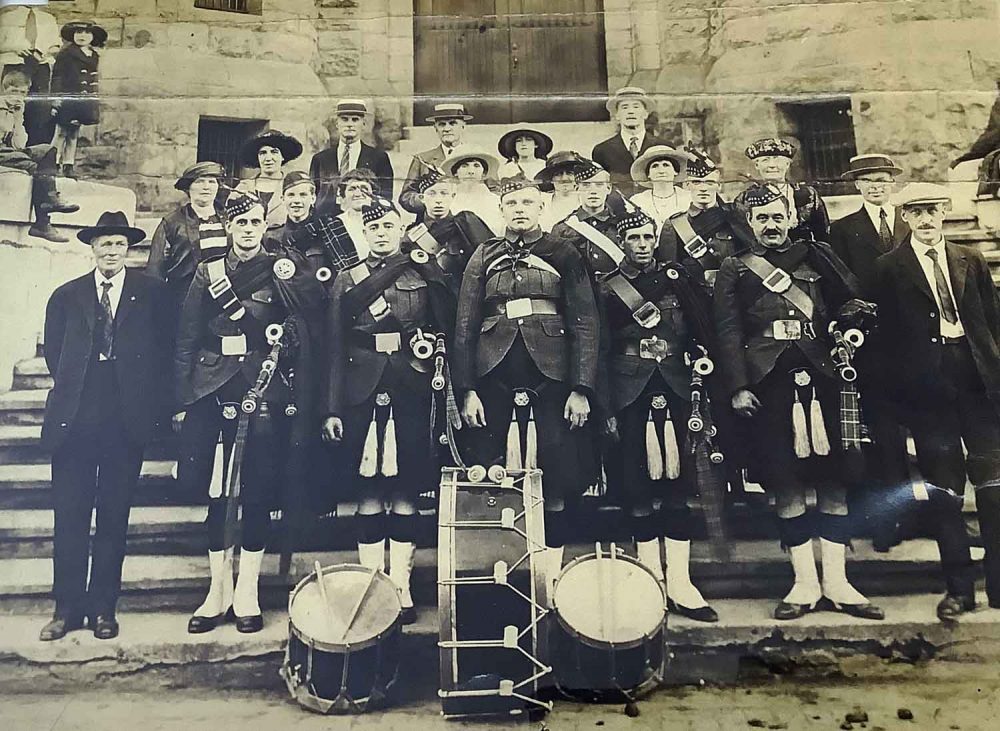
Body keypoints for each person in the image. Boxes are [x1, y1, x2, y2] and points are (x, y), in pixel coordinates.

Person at [714, 183, 884, 622]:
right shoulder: (734, 267)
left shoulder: (818, 254)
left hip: (824, 376)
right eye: (761, 218)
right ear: (749, 224)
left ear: (790, 217)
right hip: (767, 384)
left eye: (777, 216)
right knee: (784, 480)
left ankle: (839, 583)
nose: (771, 225)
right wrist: (738, 386)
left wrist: (849, 326)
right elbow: (728, 332)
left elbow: (854, 300)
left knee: (833, 480)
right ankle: (804, 584)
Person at [174, 191, 325, 635]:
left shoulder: (282, 268)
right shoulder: (209, 272)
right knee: (218, 495)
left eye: (255, 222)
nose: (247, 230)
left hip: (264, 389)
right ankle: (215, 592)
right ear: (228, 226)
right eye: (239, 223)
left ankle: (247, 593)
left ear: (264, 226)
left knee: (257, 492)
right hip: (211, 387)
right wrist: (183, 399)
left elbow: (307, 314)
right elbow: (186, 337)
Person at [453, 176, 599, 594]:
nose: (519, 209)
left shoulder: (564, 253)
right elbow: (464, 325)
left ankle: (548, 580)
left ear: (542, 208)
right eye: (511, 202)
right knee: (500, 478)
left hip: (553, 380)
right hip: (493, 379)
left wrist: (581, 388)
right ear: (500, 210)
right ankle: (510, 578)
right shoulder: (484, 255)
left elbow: (586, 321)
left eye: (528, 203)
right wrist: (467, 390)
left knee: (555, 479)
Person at [321, 198, 455, 624]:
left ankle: (401, 584)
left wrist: (431, 270)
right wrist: (332, 408)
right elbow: (333, 347)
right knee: (368, 490)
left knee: (406, 489)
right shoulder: (347, 277)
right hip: (361, 389)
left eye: (388, 226)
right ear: (364, 230)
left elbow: (446, 321)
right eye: (372, 226)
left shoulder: (420, 271)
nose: (380, 232)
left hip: (410, 387)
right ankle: (371, 580)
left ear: (401, 228)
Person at [39, 211, 170, 641]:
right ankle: (66, 608)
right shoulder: (66, 295)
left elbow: (161, 353)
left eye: (118, 244)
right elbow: (55, 354)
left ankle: (103, 609)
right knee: (70, 516)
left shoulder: (151, 294)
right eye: (104, 243)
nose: (111, 251)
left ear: (129, 249)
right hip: (74, 420)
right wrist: (77, 387)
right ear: (91, 248)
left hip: (123, 421)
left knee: (113, 518)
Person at [874, 182, 1000, 620]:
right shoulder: (889, 268)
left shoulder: (972, 259)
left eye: (933, 210)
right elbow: (884, 342)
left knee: (994, 488)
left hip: (979, 384)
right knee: (945, 493)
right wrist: (903, 396)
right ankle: (959, 590)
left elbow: (993, 324)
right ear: (904, 216)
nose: (926, 219)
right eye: (916, 212)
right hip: (929, 391)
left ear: (945, 211)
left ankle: (999, 588)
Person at [597, 209, 719, 622]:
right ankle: (651, 581)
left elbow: (703, 330)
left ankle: (682, 583)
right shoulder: (609, 289)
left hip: (678, 388)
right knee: (637, 488)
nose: (644, 245)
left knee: (679, 486)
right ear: (622, 241)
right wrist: (607, 407)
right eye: (635, 239)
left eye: (649, 238)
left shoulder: (677, 279)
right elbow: (599, 349)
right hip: (629, 391)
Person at [828, 154, 911, 551]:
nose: (876, 186)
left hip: (916, 342)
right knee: (882, 431)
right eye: (868, 181)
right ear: (858, 187)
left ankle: (932, 515)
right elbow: (841, 286)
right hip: (871, 345)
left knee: (928, 432)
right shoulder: (844, 230)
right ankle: (886, 522)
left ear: (892, 183)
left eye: (882, 180)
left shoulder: (912, 222)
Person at [147, 161, 228, 343]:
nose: (207, 187)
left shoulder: (229, 217)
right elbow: (155, 270)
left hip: (225, 299)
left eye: (212, 181)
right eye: (200, 181)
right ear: (188, 187)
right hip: (184, 301)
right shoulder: (172, 223)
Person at [1, 67, 78, 243]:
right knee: (36, 168)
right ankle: (43, 222)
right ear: (4, 90)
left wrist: (18, 117)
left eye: (23, 92)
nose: (18, 95)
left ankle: (49, 205)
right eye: (14, 91)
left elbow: (19, 144)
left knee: (47, 149)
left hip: (9, 151)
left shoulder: (16, 109)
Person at [658, 150, 756, 288]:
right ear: (687, 185)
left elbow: (752, 257)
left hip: (735, 292)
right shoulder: (674, 225)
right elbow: (670, 271)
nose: (703, 188)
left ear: (718, 186)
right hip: (696, 296)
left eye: (709, 182)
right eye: (697, 182)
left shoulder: (734, 215)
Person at [400, 167, 493, 290]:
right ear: (422, 198)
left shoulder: (467, 224)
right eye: (432, 194)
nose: (438, 200)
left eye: (444, 193)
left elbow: (489, 261)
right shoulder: (412, 236)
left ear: (452, 196)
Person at [401, 103, 491, 214]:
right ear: (435, 128)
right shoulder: (422, 159)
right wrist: (428, 199)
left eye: (453, 123)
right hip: (433, 221)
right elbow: (406, 196)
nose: (447, 129)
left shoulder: (478, 156)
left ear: (463, 126)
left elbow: (495, 190)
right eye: (442, 125)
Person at [736, 138, 830, 243]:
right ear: (757, 165)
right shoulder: (746, 198)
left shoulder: (808, 195)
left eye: (777, 159)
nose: (772, 165)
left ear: (787, 164)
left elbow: (823, 234)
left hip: (804, 255)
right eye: (765, 160)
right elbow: (742, 236)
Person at [308, 98, 393, 213]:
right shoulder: (320, 159)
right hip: (326, 220)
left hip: (363, 218)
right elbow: (312, 193)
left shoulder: (379, 158)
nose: (349, 124)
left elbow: (386, 195)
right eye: (344, 119)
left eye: (355, 120)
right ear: (337, 124)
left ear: (363, 124)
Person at [550, 160, 624, 278]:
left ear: (608, 188)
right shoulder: (562, 229)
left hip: (619, 292)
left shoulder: (622, 225)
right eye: (586, 185)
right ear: (577, 188)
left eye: (599, 184)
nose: (593, 191)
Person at [50, 20, 105, 178]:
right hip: (69, 97)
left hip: (84, 99)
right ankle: (53, 163)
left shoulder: (93, 55)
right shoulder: (66, 53)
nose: (82, 36)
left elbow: (93, 79)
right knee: (61, 132)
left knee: (74, 133)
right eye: (78, 32)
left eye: (87, 32)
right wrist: (56, 98)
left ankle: (69, 164)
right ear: (72, 35)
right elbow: (58, 77)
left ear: (93, 36)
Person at [0, 3, 61, 145]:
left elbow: (56, 45)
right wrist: (15, 47)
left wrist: (43, 51)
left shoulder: (48, 19)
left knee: (40, 109)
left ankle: (35, 150)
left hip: (40, 67)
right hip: (15, 64)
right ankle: (10, 149)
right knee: (11, 107)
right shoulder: (7, 17)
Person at [592, 87, 668, 198]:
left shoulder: (663, 147)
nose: (630, 111)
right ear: (617, 115)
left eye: (636, 106)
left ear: (645, 114)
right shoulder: (602, 150)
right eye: (624, 107)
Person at [236, 129, 303, 230]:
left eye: (274, 152)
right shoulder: (243, 188)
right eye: (263, 153)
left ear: (283, 156)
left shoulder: (294, 187)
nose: (268, 158)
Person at [629, 145, 693, 232]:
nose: (661, 170)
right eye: (655, 166)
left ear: (675, 171)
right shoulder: (637, 201)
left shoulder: (689, 198)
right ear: (648, 174)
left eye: (666, 165)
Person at [445, 150, 504, 235]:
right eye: (464, 166)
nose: (471, 171)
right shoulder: (448, 201)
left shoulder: (496, 201)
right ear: (455, 172)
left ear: (484, 173)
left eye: (476, 166)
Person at [536, 150, 586, 232]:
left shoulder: (585, 201)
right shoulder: (542, 201)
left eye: (569, 173)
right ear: (551, 179)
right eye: (558, 174)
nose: (564, 178)